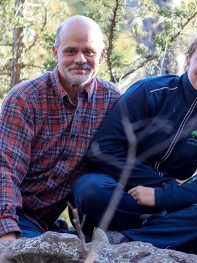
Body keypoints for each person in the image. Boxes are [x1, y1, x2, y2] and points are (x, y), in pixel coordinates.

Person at [72, 27, 197, 255]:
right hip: (122, 195)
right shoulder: (150, 91)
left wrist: (161, 196)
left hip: (169, 204)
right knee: (90, 188)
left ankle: (124, 240)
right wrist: (162, 184)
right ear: (188, 60)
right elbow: (103, 150)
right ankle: (173, 236)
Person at [0, 15, 120, 241]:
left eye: (89, 51)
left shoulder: (112, 100)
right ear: (55, 53)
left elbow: (127, 159)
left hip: (55, 222)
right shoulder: (25, 99)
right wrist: (6, 232)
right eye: (71, 51)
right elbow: (5, 169)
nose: (80, 59)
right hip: (17, 215)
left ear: (102, 55)